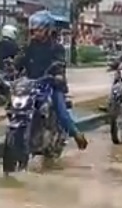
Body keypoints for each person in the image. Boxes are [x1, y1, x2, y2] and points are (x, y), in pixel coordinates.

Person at [15, 10, 88, 150]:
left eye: (39, 30)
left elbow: (60, 63)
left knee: (61, 113)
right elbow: (19, 60)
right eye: (33, 31)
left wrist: (58, 74)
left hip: (52, 84)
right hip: (31, 85)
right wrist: (11, 69)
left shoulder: (57, 47)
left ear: (48, 30)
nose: (35, 33)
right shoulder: (29, 46)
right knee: (17, 106)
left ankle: (76, 134)